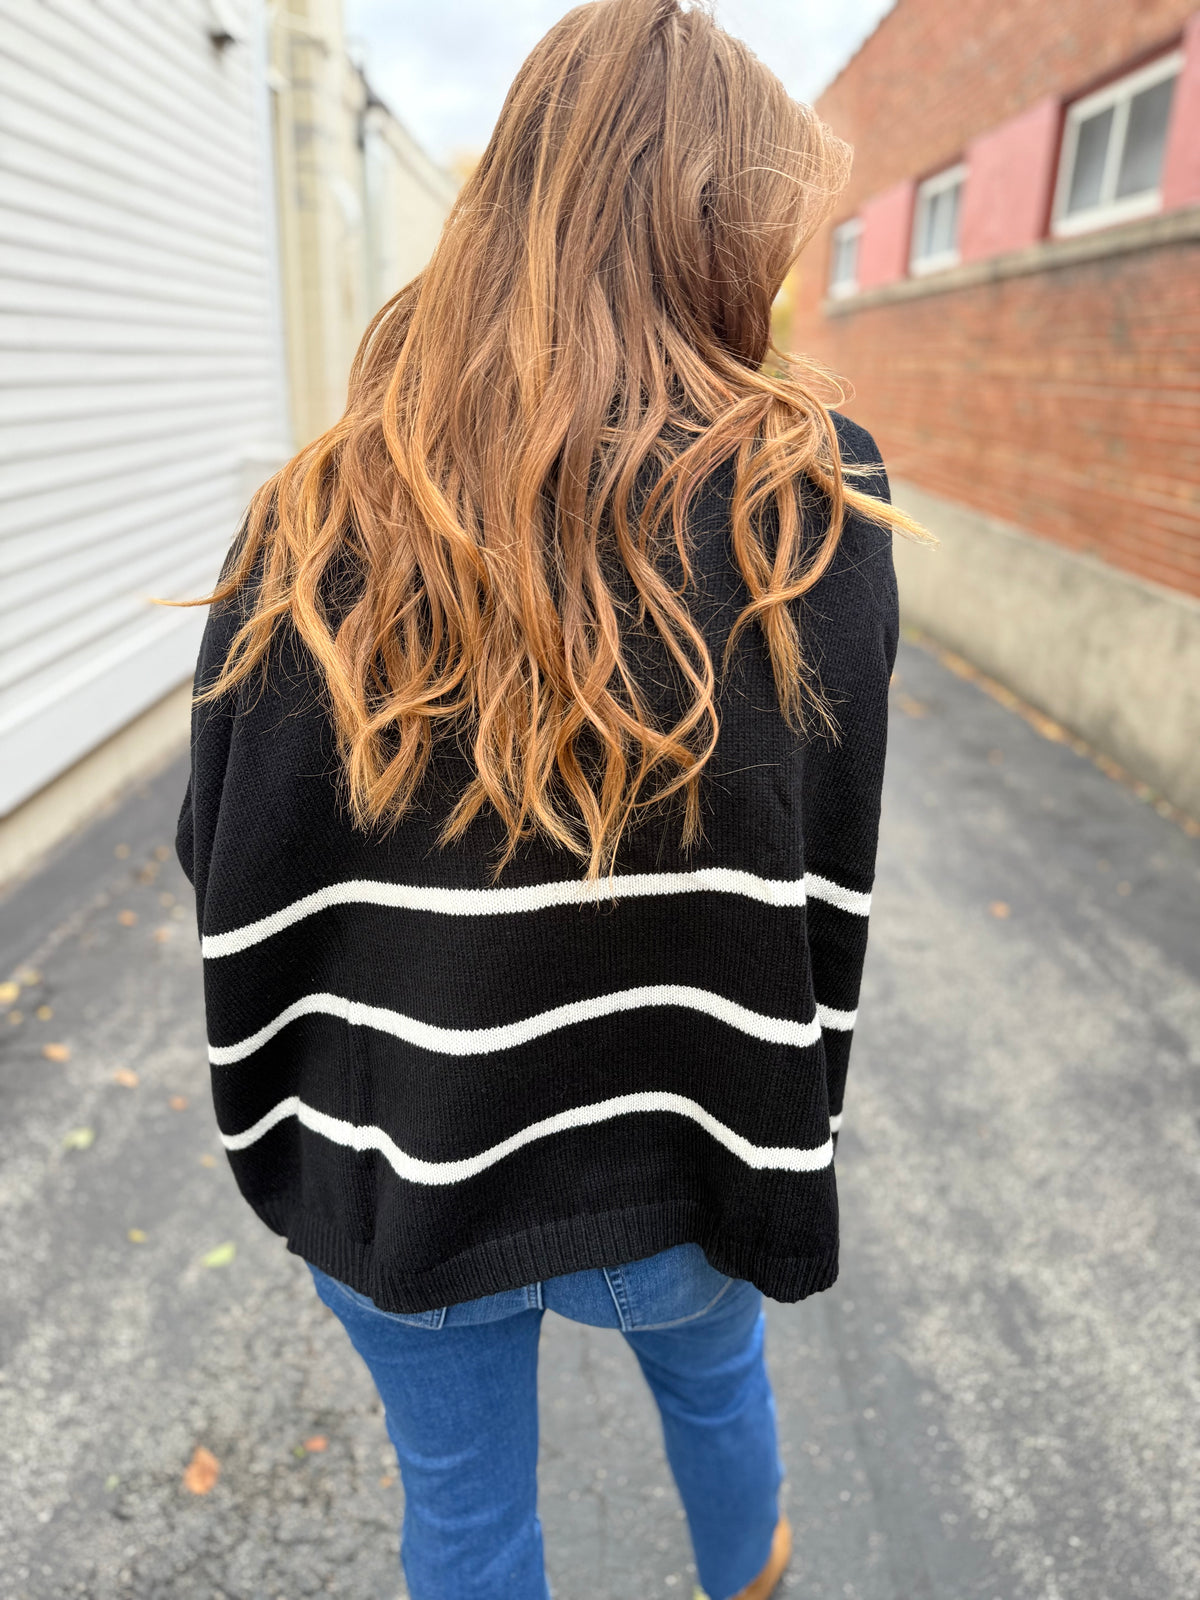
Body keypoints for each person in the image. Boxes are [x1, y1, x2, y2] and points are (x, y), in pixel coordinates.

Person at [175, 1, 922, 1593]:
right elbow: (826, 850)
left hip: (397, 1148)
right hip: (688, 1137)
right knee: (717, 1391)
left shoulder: (314, 513)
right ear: (723, 226)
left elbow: (223, 848)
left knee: (464, 1513)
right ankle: (753, 1578)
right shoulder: (810, 497)